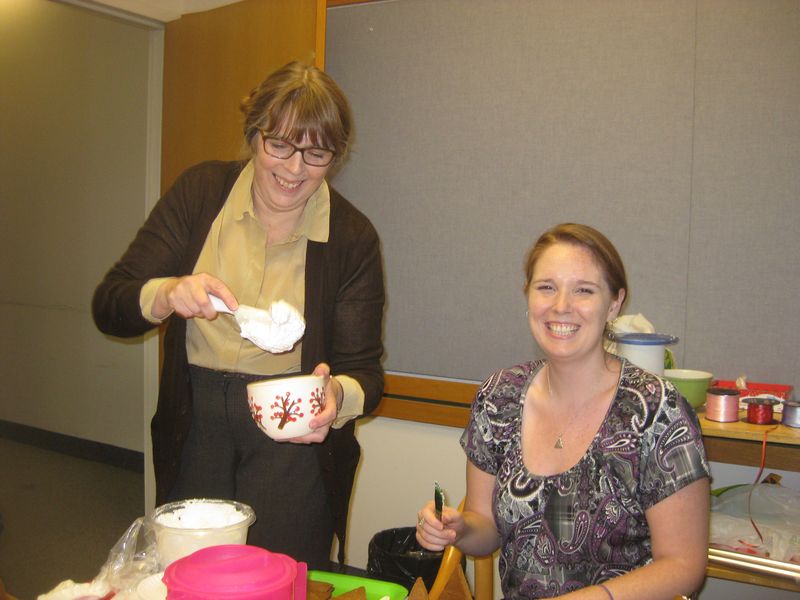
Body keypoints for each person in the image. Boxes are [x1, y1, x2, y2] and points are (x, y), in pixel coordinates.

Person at [92, 61, 384, 568]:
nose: (295, 170)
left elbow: (366, 374)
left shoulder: (352, 239)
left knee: (282, 576)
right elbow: (110, 304)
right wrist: (165, 295)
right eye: (280, 146)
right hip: (196, 420)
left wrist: (336, 397)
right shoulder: (202, 194)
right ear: (254, 134)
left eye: (316, 154)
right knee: (193, 574)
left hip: (293, 443)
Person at [416, 223, 710, 599]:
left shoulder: (656, 411)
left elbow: (684, 565)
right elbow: (486, 528)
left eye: (583, 290)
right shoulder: (498, 397)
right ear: (528, 296)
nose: (561, 306)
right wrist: (457, 530)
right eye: (546, 287)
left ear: (614, 304)